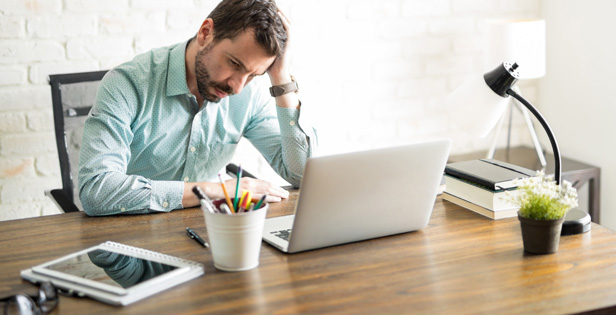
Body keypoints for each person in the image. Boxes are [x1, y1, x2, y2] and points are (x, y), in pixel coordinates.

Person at [78, 0, 317, 216]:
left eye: (254, 75)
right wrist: (216, 191)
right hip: (131, 237)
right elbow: (97, 191)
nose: (238, 86)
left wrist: (282, 80)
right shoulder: (128, 84)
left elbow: (302, 174)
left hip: (208, 234)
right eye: (234, 63)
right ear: (205, 33)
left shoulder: (248, 96)